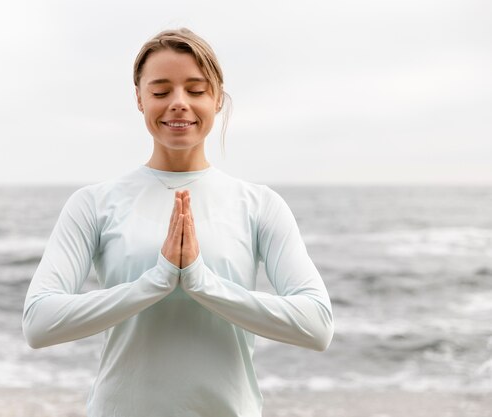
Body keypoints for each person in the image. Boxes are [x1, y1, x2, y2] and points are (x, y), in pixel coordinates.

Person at [22, 28, 334, 417]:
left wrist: (202, 282)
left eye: (196, 90)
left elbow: (317, 325)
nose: (179, 103)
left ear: (218, 99)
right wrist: (157, 281)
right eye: (160, 91)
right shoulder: (94, 204)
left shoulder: (259, 205)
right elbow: (39, 322)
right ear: (139, 99)